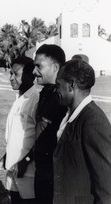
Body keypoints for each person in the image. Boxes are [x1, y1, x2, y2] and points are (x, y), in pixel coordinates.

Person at [54, 59, 111, 204]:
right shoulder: (71, 114)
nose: (56, 90)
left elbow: (106, 183)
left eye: (58, 85)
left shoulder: (93, 120)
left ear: (71, 86)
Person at [0, 56, 39, 204]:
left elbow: (40, 139)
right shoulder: (19, 98)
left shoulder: (35, 100)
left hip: (27, 172)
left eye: (16, 74)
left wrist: (25, 161)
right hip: (12, 168)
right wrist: (7, 154)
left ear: (30, 75)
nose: (11, 78)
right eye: (10, 73)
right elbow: (17, 134)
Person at [32, 44, 67, 204]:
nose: (34, 72)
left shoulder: (57, 97)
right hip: (43, 169)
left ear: (55, 67)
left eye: (39, 66)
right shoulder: (47, 93)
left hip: (52, 172)